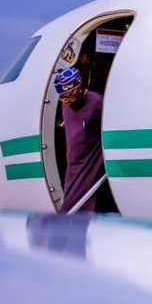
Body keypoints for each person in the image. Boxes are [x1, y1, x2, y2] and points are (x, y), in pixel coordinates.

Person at [53, 67, 115, 213]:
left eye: (69, 95)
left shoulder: (96, 103)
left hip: (90, 166)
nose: (66, 100)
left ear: (79, 87)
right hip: (72, 168)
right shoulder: (66, 105)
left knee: (75, 209)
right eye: (62, 96)